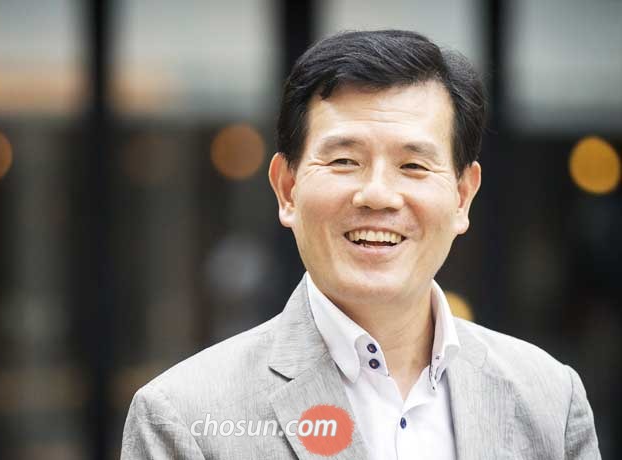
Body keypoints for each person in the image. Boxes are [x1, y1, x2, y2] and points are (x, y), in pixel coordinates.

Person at [120, 30, 600, 460]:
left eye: (413, 166)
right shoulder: (183, 417)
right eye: (344, 161)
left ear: (462, 197)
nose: (377, 195)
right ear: (287, 189)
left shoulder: (550, 400)